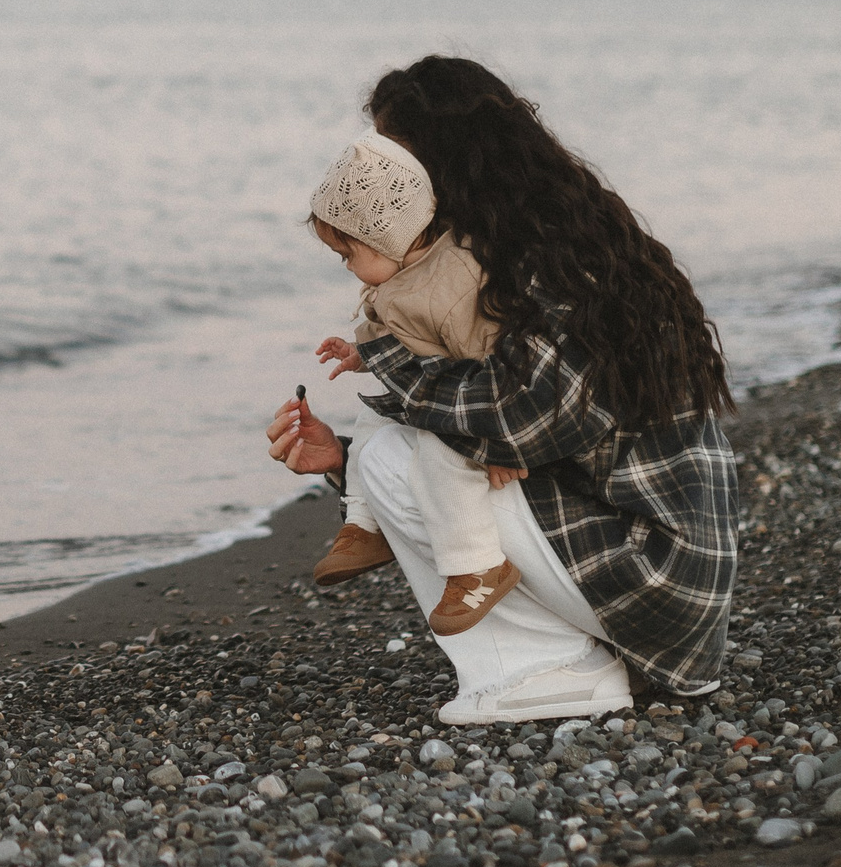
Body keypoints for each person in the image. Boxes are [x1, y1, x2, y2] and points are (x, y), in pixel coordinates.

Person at [265, 56, 738, 726]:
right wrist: (344, 459)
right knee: (393, 451)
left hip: (654, 579)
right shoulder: (558, 239)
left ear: (442, 163)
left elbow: (517, 418)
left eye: (394, 159)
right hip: (653, 569)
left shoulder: (547, 265)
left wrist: (386, 360)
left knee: (399, 454)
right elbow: (509, 425)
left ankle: (549, 670)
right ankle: (575, 656)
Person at [297, 133, 526, 637]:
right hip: (428, 389)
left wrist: (502, 441)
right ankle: (364, 523)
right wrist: (361, 353)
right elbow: (401, 336)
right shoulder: (402, 274)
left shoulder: (456, 281)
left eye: (347, 253)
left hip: (469, 409)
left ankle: (477, 565)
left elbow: (496, 364)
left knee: (441, 458)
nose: (348, 267)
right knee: (370, 415)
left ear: (385, 239)